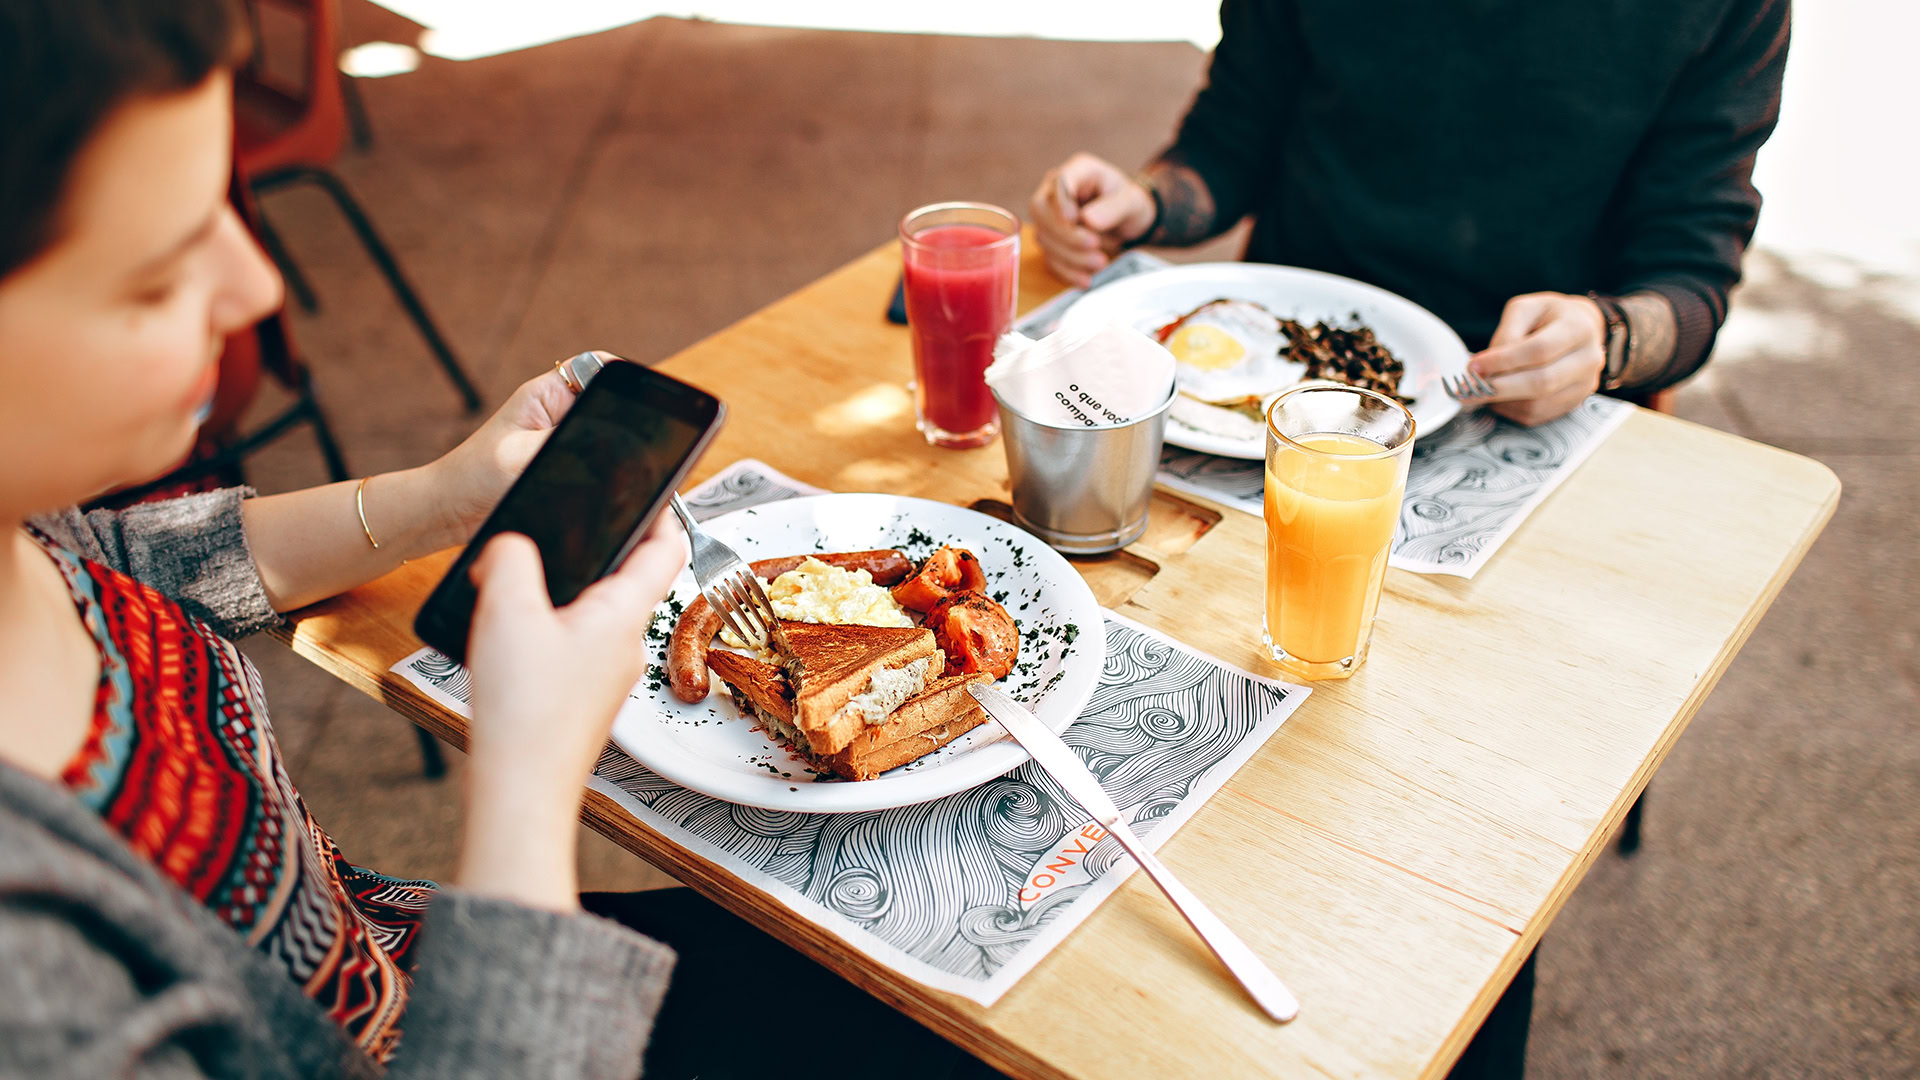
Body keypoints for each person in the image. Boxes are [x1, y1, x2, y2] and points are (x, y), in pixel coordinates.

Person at [0, 3, 988, 1077]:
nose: (258, 288)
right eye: (157, 273)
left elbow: (126, 563)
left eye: (226, 210)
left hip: (410, 945)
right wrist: (523, 780)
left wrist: (444, 498)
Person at [1030, 0, 1789, 426]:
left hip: (1518, 399)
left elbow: (1690, 279)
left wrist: (1609, 336)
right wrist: (1149, 201)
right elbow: (1231, 138)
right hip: (1273, 381)